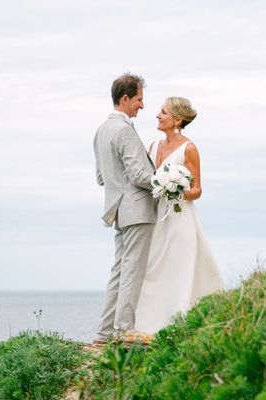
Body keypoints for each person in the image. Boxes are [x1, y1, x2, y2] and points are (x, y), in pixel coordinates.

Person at [134, 97, 224, 333]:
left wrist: (176, 191)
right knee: (153, 269)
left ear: (177, 119)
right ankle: (148, 325)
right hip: (156, 217)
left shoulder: (189, 149)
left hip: (179, 218)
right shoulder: (152, 147)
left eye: (163, 112)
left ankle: (179, 324)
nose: (157, 115)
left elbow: (197, 190)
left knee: (177, 271)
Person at [93, 73, 157, 344]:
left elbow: (100, 178)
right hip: (137, 210)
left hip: (118, 211)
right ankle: (123, 332)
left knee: (119, 271)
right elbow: (139, 175)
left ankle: (104, 333)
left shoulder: (101, 131)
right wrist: (163, 182)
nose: (142, 106)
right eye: (139, 100)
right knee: (132, 271)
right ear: (125, 98)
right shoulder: (124, 130)